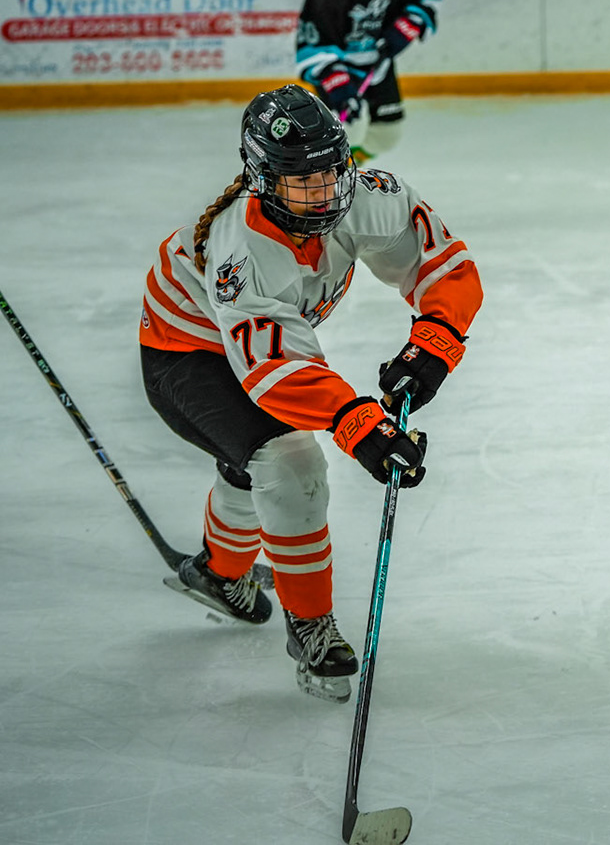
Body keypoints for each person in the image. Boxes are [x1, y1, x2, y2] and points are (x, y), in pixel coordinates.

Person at [140, 85, 482, 699]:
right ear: (263, 180)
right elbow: (277, 372)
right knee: (288, 461)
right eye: (303, 181)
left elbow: (442, 265)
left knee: (249, 462)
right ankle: (310, 624)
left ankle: (220, 574)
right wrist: (361, 426)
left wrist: (433, 344)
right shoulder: (242, 250)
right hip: (185, 350)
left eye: (332, 171)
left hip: (252, 348)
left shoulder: (367, 195)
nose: (325, 192)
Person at [295, 0, 445, 165]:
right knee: (347, 131)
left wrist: (403, 30)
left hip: (379, 65)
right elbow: (312, 48)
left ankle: (353, 164)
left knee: (388, 134)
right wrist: (340, 91)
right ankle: (336, 175)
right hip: (340, 70)